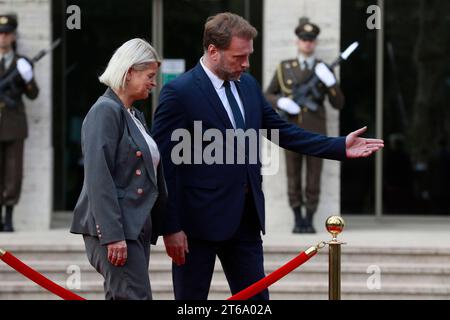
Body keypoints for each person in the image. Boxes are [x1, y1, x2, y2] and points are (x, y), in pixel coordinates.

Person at [151, 12, 383, 300]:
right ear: (213, 51)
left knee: (257, 303)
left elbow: (284, 131)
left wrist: (338, 146)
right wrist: (171, 227)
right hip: (196, 227)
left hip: (245, 221)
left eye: (248, 55)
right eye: (239, 56)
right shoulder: (179, 92)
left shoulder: (247, 85)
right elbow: (163, 166)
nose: (246, 64)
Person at [70, 38, 167, 300]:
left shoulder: (133, 115)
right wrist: (112, 235)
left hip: (135, 226)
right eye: (149, 75)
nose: (154, 83)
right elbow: (98, 177)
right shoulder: (105, 111)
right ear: (129, 72)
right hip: (116, 229)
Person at [265, 17, 345, 234]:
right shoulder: (284, 68)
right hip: (291, 129)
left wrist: (331, 83)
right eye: (303, 39)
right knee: (293, 174)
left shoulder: (323, 69)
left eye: (311, 40)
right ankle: (297, 218)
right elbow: (267, 94)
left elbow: (338, 104)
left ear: (315, 43)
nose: (307, 43)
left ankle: (309, 218)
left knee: (314, 175)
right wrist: (281, 102)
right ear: (297, 42)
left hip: (317, 130)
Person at [0, 14, 39, 232]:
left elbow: (33, 94)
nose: (3, 38)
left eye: (6, 34)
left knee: (13, 172)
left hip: (14, 123)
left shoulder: (21, 63)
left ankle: (9, 217)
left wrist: (28, 78)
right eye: (0, 34)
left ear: (13, 36)